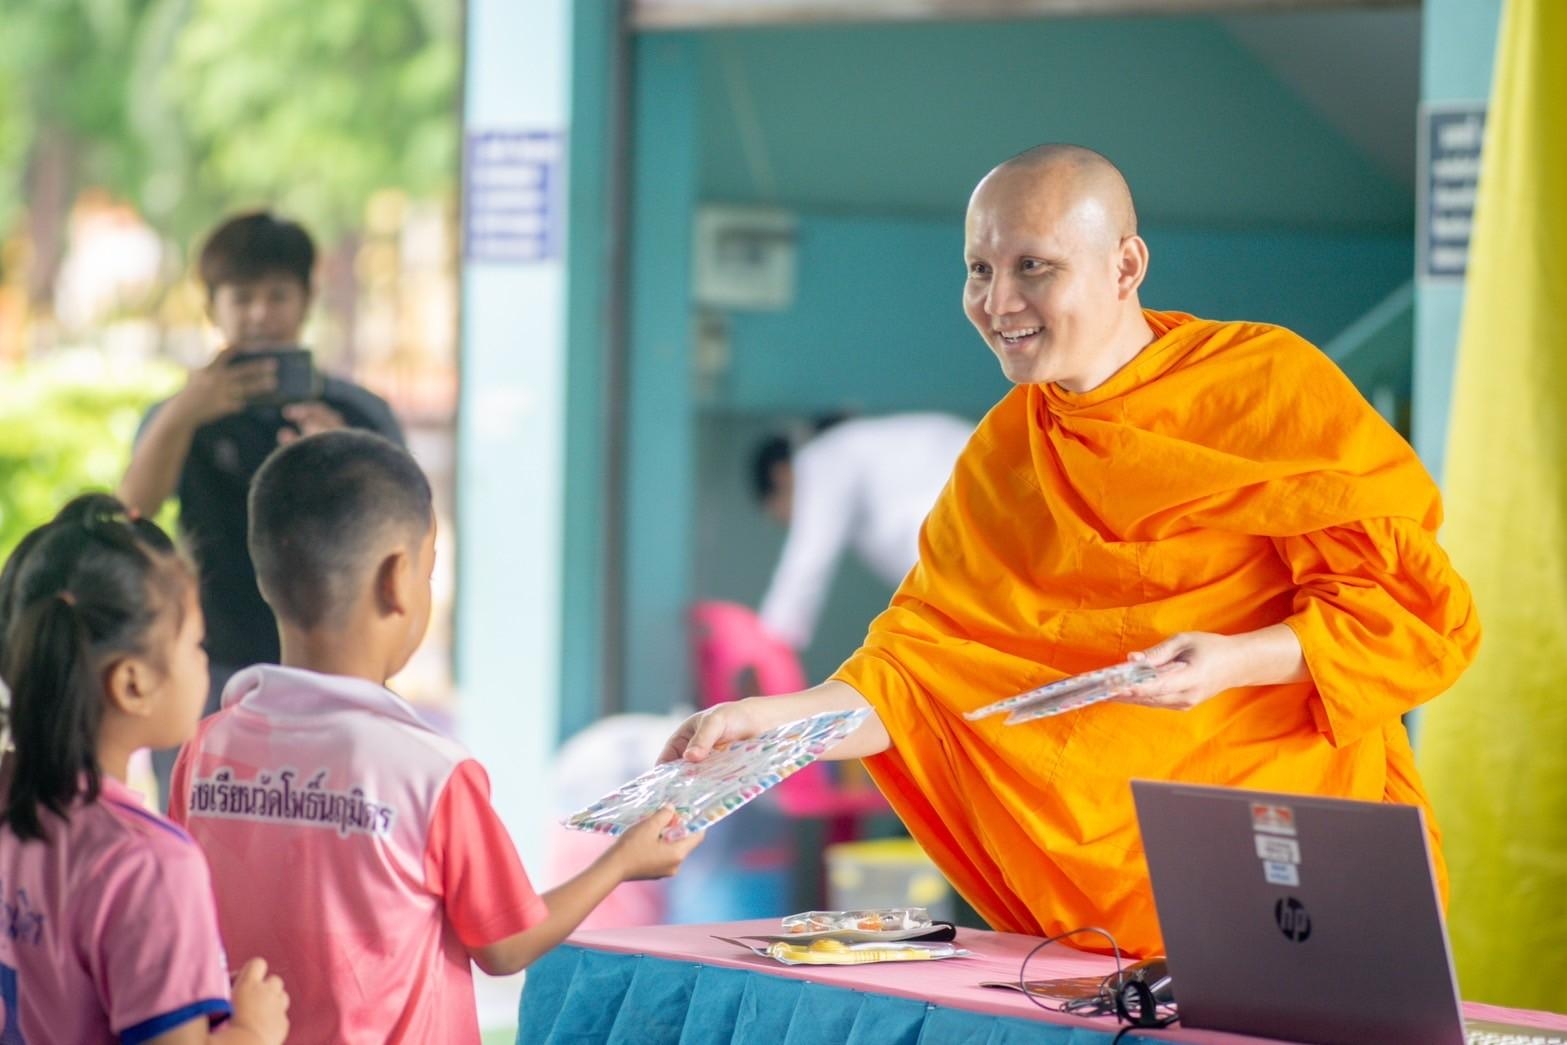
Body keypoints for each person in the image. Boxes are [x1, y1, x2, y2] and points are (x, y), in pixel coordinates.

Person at [663, 144, 1480, 959]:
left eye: (1033, 266)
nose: (997, 300)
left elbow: (1410, 611)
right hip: (1089, 912)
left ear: (1125, 264)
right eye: (977, 269)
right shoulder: (1003, 452)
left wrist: (1231, 661)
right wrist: (767, 724)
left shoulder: (1263, 387)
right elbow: (917, 678)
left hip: (1286, 852)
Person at [169, 431, 701, 1043]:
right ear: (398, 578)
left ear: (265, 579)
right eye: (429, 570)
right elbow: (505, 942)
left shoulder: (206, 750)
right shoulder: (428, 770)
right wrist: (623, 862)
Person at [118, 211, 403, 801]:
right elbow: (131, 517)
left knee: (323, 824)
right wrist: (184, 414)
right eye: (241, 297)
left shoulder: (359, 412)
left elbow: (405, 538)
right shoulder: (180, 414)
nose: (259, 314)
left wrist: (341, 458)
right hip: (208, 659)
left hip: (334, 664)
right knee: (197, 820)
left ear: (306, 301)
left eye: (278, 295)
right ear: (212, 307)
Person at [0, 494, 289, 1044]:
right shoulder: (149, 863)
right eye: (195, 643)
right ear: (132, 683)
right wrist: (254, 1028)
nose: (204, 660)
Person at [751, 412, 972, 649]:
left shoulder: (822, 458)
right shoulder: (863, 445)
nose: (788, 523)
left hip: (962, 534)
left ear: (780, 474)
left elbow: (809, 559)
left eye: (778, 514)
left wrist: (767, 645)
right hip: (989, 518)